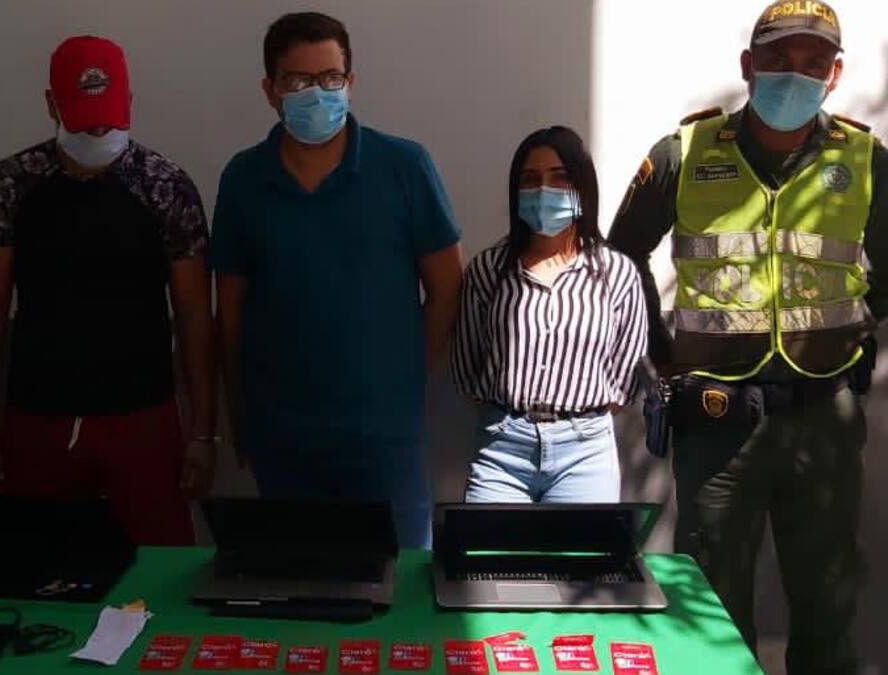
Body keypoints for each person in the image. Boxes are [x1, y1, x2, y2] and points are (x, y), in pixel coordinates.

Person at [608, 3, 887, 671]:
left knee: (827, 612)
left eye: (813, 63)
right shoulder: (684, 152)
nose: (795, 75)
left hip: (823, 421)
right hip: (716, 425)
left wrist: (861, 327)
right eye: (778, 60)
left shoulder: (866, 160)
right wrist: (659, 348)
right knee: (712, 616)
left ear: (835, 75)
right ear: (747, 66)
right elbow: (622, 254)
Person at [210, 12, 464, 548]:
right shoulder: (243, 179)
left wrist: (403, 379)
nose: (317, 93)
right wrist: (238, 418)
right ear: (270, 90)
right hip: (283, 441)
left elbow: (447, 288)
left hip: (384, 441)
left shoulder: (404, 167)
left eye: (330, 78)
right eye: (299, 81)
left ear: (350, 82)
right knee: (297, 586)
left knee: (398, 585)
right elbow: (229, 313)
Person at [0, 36, 214, 546]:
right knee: (36, 567)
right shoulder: (12, 184)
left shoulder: (164, 185)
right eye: (85, 121)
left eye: (109, 119)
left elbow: (193, 314)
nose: (100, 132)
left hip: (143, 416)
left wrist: (204, 431)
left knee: (157, 569)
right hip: (38, 416)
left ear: (130, 102)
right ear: (52, 104)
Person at [452, 127, 647, 504]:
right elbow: (468, 369)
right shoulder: (488, 271)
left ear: (583, 187)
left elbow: (626, 378)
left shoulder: (617, 274)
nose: (544, 190)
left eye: (560, 177)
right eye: (530, 180)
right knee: (488, 545)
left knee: (581, 546)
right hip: (501, 451)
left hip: (586, 453)